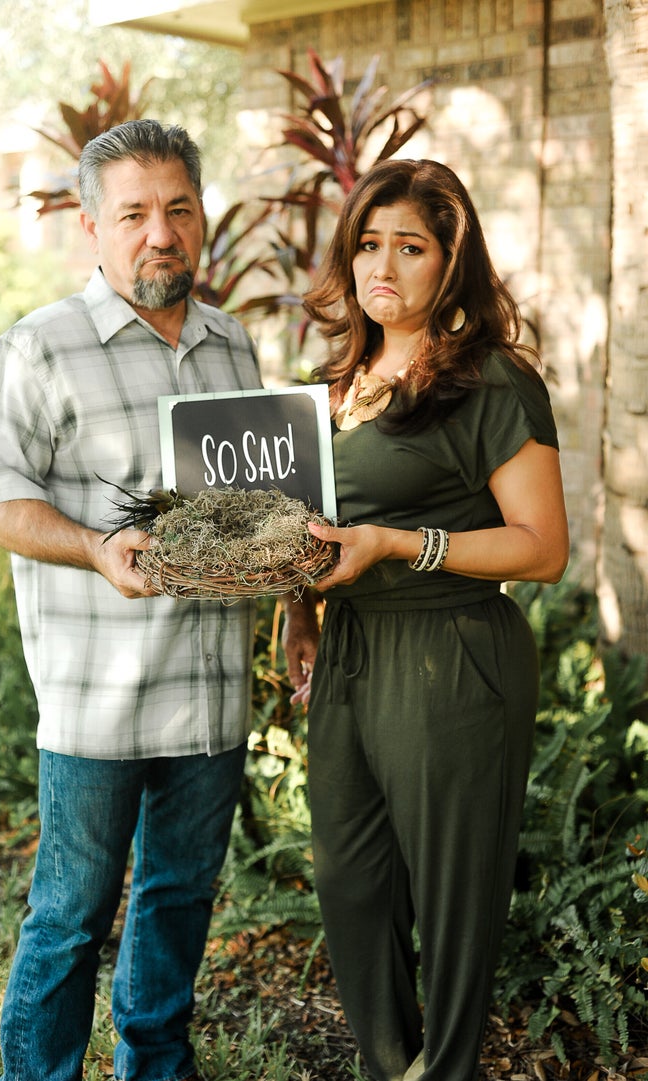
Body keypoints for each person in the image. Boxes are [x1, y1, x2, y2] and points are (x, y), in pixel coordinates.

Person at [0, 119, 317, 1081]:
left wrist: (299, 606)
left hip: (209, 697)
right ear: (92, 227)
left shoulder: (231, 346)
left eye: (178, 209)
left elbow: (265, 512)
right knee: (72, 915)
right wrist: (91, 545)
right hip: (96, 703)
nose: (160, 232)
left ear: (201, 218)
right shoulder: (37, 349)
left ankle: (155, 1067)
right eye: (133, 214)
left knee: (179, 899)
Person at [291, 158, 570, 1081]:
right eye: (368, 244)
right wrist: (299, 605)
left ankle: (444, 1069)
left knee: (453, 896)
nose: (383, 266)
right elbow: (315, 523)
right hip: (351, 655)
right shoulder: (335, 382)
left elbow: (542, 548)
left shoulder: (490, 383)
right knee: (351, 879)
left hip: (452, 653)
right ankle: (391, 1064)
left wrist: (401, 543)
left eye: (409, 247)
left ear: (450, 263)